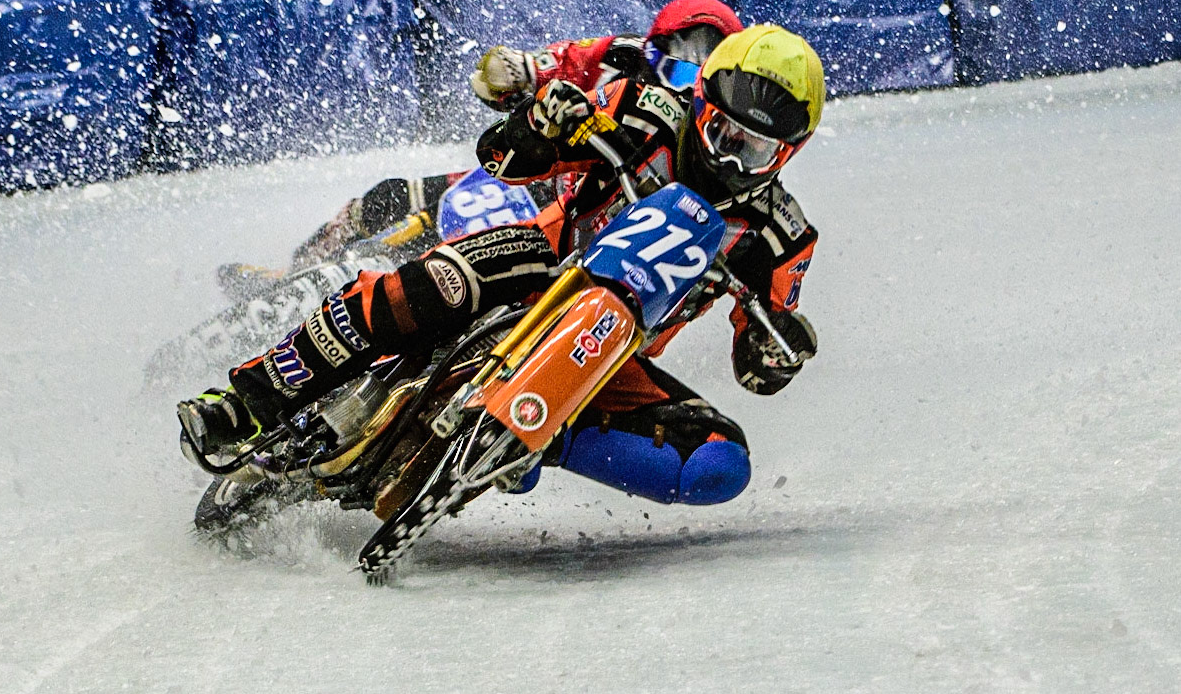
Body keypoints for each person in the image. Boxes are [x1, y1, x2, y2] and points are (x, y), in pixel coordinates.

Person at [182, 25, 822, 507]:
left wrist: (779, 351)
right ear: (703, 101)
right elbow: (500, 159)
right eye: (724, 135)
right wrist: (542, 126)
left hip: (605, 353)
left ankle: (531, 437)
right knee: (428, 284)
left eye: (755, 151)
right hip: (543, 260)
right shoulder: (640, 105)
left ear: (787, 154)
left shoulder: (780, 236)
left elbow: (757, 370)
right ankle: (247, 401)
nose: (730, 161)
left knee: (718, 465)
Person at [218, 0, 744, 300]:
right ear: (650, 48)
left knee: (445, 248)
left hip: (583, 229)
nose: (679, 85)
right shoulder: (620, 55)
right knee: (393, 195)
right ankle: (299, 270)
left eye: (696, 75)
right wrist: (515, 71)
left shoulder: (729, 145)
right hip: (537, 173)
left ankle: (391, 291)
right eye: (671, 65)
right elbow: (541, 66)